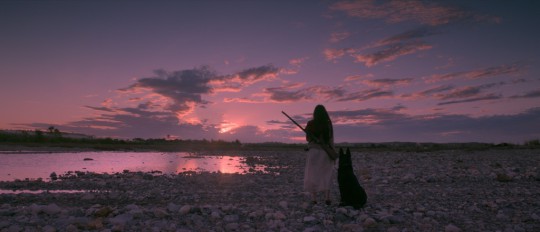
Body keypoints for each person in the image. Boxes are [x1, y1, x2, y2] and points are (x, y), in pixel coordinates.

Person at [304, 104, 335, 205]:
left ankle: (314, 199)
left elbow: (308, 139)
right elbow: (331, 139)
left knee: (313, 174)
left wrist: (310, 134)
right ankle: (327, 197)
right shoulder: (328, 124)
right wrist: (332, 151)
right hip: (325, 151)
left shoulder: (310, 123)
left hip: (313, 151)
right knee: (326, 174)